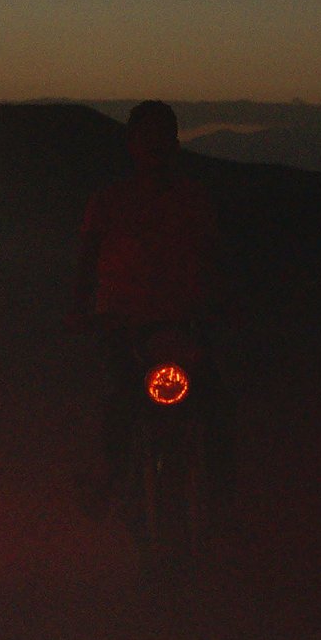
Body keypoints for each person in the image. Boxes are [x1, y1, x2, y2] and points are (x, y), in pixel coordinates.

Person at [70, 100, 236, 515]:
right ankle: (111, 478)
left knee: (214, 405)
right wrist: (82, 307)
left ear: (175, 144)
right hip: (124, 326)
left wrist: (222, 302)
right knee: (122, 400)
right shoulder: (108, 202)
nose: (155, 147)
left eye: (163, 138)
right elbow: (88, 259)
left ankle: (219, 502)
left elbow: (214, 258)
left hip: (183, 326)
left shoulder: (194, 200)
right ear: (132, 144)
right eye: (148, 139)